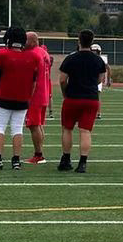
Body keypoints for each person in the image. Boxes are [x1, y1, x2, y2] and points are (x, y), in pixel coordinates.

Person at [0, 26, 37, 171]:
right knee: (17, 129)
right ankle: (16, 161)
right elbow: (33, 81)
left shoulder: (2, 54)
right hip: (22, 99)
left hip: (4, 97)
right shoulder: (33, 57)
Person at [57, 29, 105, 173]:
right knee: (85, 131)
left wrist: (65, 92)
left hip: (72, 97)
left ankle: (66, 159)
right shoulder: (98, 60)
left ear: (79, 41)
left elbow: (62, 80)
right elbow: (99, 79)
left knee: (67, 128)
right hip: (90, 99)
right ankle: (82, 163)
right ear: (92, 42)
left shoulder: (71, 58)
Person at [24, 31, 53, 164]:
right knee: (39, 125)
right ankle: (40, 152)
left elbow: (31, 77)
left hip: (36, 94)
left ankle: (39, 154)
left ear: (33, 41)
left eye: (26, 40)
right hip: (44, 93)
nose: (24, 43)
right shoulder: (43, 52)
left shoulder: (33, 54)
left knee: (34, 125)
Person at [91, 43, 110, 119]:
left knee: (97, 97)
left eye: (95, 51)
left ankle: (98, 113)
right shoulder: (89, 58)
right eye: (93, 51)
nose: (94, 52)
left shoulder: (102, 59)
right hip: (90, 79)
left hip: (97, 79)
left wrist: (108, 79)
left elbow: (108, 68)